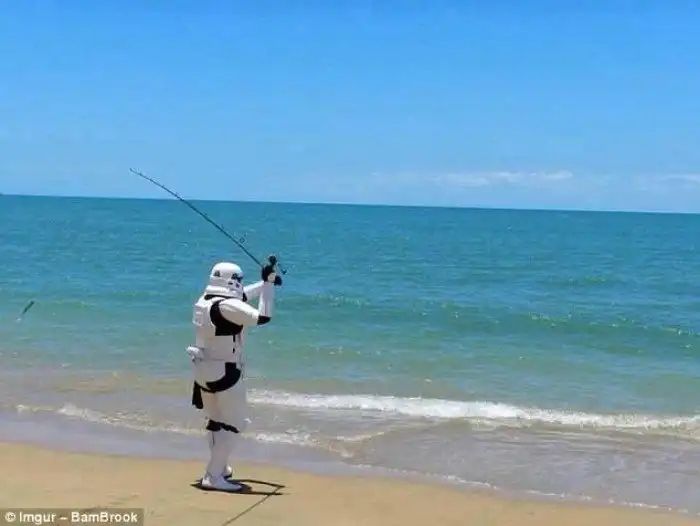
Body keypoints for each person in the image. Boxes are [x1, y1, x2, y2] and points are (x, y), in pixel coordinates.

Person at [186, 258, 282, 492]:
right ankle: (213, 475)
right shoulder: (228, 307)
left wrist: (264, 283)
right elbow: (263, 316)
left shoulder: (205, 300)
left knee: (215, 421)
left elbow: (240, 298)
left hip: (202, 370)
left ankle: (220, 466)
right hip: (225, 371)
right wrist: (269, 287)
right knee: (236, 424)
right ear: (233, 281)